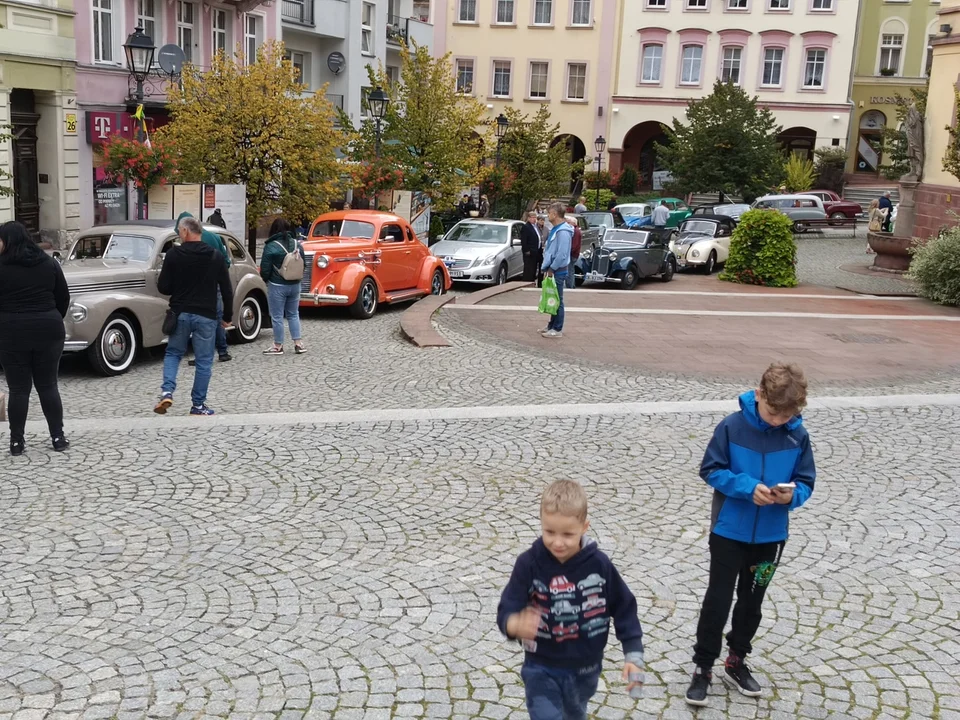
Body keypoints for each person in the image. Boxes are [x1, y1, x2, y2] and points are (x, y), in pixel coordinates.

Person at [685, 362, 816, 708]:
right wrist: (746, 487)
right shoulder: (731, 427)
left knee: (752, 600)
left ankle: (737, 659)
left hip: (772, 538)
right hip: (729, 531)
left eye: (786, 415)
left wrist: (793, 496)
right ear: (758, 395)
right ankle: (703, 666)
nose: (777, 421)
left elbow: (806, 482)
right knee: (718, 598)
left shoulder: (797, 436)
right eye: (773, 412)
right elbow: (710, 469)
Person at [497, 480, 645, 720]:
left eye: (567, 534)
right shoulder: (529, 564)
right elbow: (507, 607)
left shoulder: (599, 566)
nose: (557, 542)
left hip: (585, 668)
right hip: (540, 666)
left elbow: (624, 608)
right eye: (549, 532)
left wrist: (633, 654)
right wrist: (514, 624)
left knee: (574, 714)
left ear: (584, 527)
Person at [0, 221, 70, 455]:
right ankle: (58, 437)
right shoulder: (49, 263)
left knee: (19, 389)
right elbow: (63, 297)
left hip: (11, 331)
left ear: (7, 242)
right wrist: (50, 318)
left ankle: (17, 442)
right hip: (48, 329)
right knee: (48, 385)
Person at [155, 216, 234, 416]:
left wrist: (177, 285)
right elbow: (226, 289)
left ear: (185, 231)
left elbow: (163, 286)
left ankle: (167, 391)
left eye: (179, 231)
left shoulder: (173, 254)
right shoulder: (215, 256)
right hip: (206, 315)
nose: (178, 234)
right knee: (204, 361)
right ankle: (198, 405)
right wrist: (227, 315)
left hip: (180, 313)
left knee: (173, 353)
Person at [175, 212, 232, 364]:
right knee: (217, 317)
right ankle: (223, 351)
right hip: (216, 283)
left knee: (197, 318)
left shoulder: (188, 244)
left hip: (197, 288)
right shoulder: (214, 237)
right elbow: (226, 261)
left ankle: (200, 354)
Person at [260, 218, 306, 355]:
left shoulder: (271, 246)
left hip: (277, 284)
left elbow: (265, 269)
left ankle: (278, 345)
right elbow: (304, 265)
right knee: (293, 314)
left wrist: (266, 279)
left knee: (277, 316)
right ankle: (298, 343)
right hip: (295, 284)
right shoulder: (297, 245)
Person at [540, 202, 573, 339]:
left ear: (554, 214)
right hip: (552, 268)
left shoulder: (563, 231)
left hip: (557, 270)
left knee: (558, 300)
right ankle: (551, 325)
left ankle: (557, 328)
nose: (548, 216)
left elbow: (562, 254)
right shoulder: (557, 229)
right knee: (552, 298)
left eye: (549, 213)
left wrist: (552, 268)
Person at [521, 211, 541, 282]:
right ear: (529, 218)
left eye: (535, 217)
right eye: (532, 217)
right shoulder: (526, 227)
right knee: (529, 270)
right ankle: (527, 282)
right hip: (530, 252)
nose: (534, 219)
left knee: (534, 269)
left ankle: (532, 281)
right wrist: (527, 251)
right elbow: (524, 240)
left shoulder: (535, 226)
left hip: (536, 252)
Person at [565, 216, 582, 290]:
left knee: (569, 270)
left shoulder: (575, 231)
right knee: (571, 269)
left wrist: (569, 252)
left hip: (572, 254)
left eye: (569, 222)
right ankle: (572, 284)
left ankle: (570, 285)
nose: (567, 224)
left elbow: (574, 245)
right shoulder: (576, 230)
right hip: (574, 253)